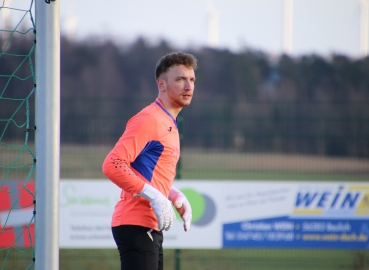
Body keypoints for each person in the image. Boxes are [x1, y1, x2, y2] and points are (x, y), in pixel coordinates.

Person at [102, 51, 197, 270]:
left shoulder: (169, 121)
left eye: (191, 80)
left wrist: (173, 194)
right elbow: (113, 164)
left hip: (148, 226)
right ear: (161, 84)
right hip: (135, 223)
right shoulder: (150, 119)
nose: (188, 86)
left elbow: (145, 171)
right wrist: (155, 196)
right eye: (180, 79)